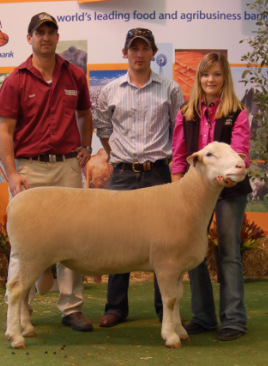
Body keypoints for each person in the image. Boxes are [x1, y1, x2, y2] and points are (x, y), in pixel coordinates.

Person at [0, 12, 93, 332]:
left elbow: (85, 114)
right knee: (25, 244)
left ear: (57, 37)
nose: (46, 37)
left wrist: (87, 145)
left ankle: (71, 308)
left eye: (51, 31)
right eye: (40, 32)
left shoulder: (75, 74)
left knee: (74, 238)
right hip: (29, 170)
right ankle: (20, 309)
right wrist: (11, 174)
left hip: (66, 167)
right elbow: (5, 132)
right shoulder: (15, 79)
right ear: (29, 38)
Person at [96, 28, 184, 327]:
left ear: (153, 53)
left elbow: (178, 128)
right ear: (125, 53)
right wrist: (117, 154)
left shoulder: (170, 89)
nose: (139, 53)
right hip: (122, 173)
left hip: (158, 172)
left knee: (165, 244)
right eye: (133, 48)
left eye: (144, 48)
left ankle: (165, 311)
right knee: (117, 240)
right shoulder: (110, 90)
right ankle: (116, 308)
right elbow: (103, 129)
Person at [171, 52, 252, 341]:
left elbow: (241, 155)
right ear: (199, 78)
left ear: (224, 78)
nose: (210, 80)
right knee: (193, 254)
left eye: (217, 74)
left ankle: (234, 320)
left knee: (229, 253)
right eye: (206, 74)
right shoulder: (186, 112)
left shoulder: (237, 112)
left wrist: (227, 176)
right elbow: (179, 156)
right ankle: (203, 316)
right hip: (195, 195)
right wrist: (177, 192)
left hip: (230, 192)